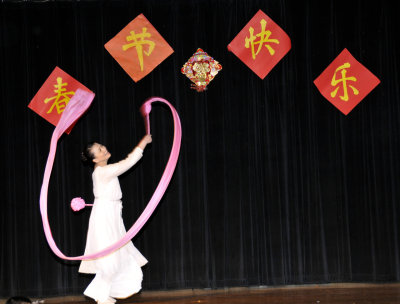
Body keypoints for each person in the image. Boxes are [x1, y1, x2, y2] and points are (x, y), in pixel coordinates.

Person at [79, 134, 152, 304]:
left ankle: (105, 297)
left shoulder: (103, 171)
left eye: (101, 146)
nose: (104, 149)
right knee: (110, 260)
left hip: (111, 214)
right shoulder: (103, 172)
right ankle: (102, 297)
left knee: (117, 258)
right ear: (95, 159)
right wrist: (142, 143)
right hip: (105, 218)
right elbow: (127, 163)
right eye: (99, 150)